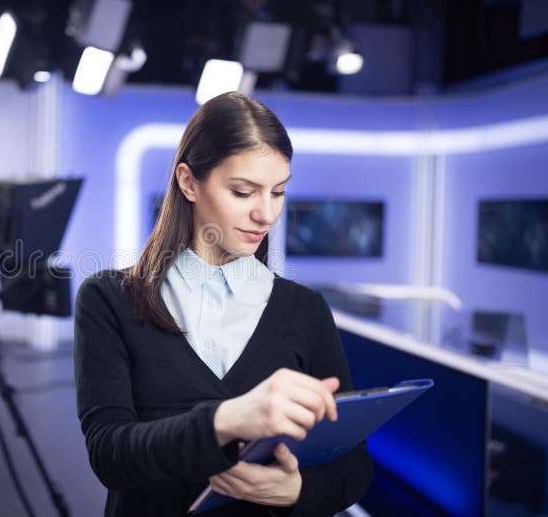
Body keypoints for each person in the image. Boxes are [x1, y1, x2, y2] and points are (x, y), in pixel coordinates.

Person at [74, 91, 373, 516]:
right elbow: (110, 454)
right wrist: (226, 421)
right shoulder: (109, 300)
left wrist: (295, 492)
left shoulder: (305, 310)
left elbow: (354, 464)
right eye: (243, 191)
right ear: (188, 182)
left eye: (278, 192)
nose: (266, 214)